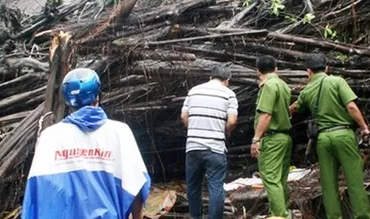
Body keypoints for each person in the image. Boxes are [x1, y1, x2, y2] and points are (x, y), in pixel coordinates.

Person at [22, 68, 151, 219]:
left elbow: (35, 194)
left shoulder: (50, 136)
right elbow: (135, 185)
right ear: (97, 95)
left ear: (67, 100)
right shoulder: (119, 132)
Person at [290, 53, 370, 219]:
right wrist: (364, 128)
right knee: (354, 180)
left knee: (328, 184)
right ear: (326, 68)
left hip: (323, 139)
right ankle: (362, 216)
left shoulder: (307, 90)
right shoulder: (337, 81)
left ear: (309, 72)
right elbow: (352, 107)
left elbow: (293, 108)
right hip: (343, 135)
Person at [180, 65, 238, 219]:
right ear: (227, 80)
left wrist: (193, 129)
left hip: (193, 146)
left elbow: (183, 116)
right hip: (215, 148)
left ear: (210, 77)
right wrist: (224, 130)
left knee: (193, 186)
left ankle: (196, 217)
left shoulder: (194, 91)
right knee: (216, 187)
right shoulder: (229, 94)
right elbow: (232, 121)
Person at [250, 55, 292, 218]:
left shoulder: (268, 86)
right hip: (285, 137)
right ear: (276, 68)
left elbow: (266, 115)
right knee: (281, 180)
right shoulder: (284, 85)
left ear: (258, 71)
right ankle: (279, 212)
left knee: (271, 179)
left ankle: (280, 215)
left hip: (272, 138)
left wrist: (256, 139)